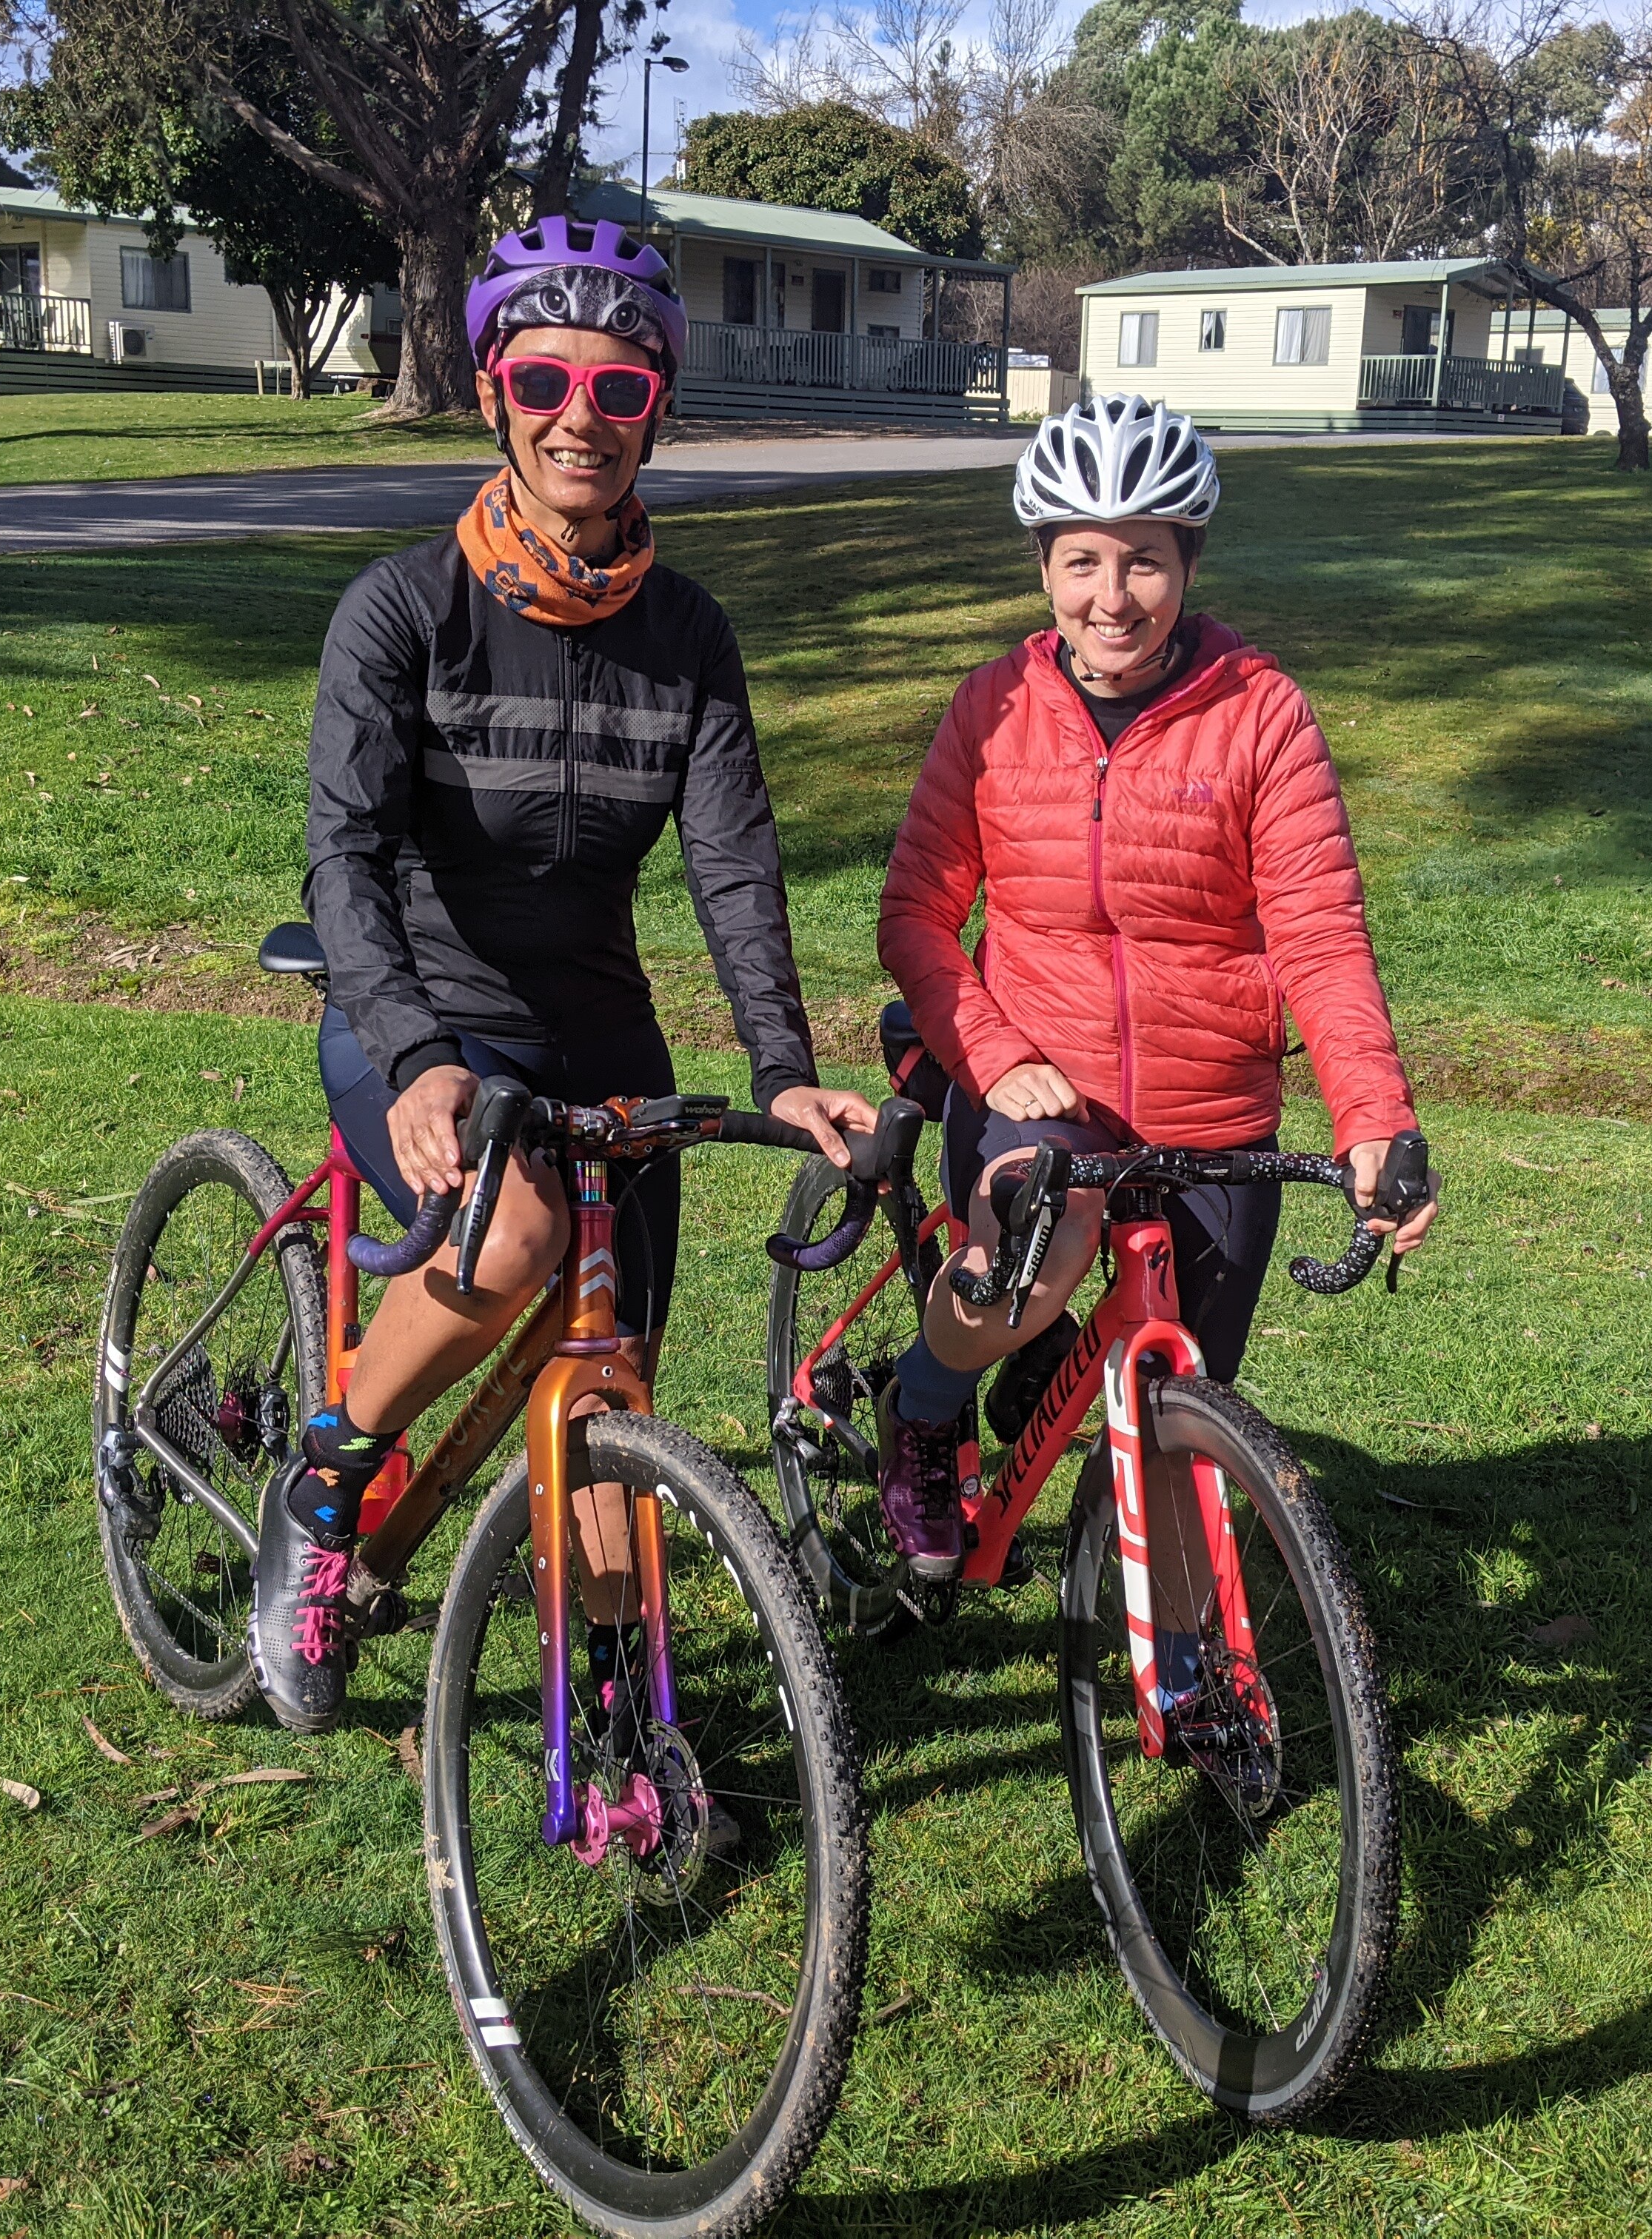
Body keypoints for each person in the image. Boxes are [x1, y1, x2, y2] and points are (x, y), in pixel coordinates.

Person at [257, 216, 875, 1730]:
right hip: (420, 1003)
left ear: (659, 405)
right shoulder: (402, 609)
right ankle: (328, 1478)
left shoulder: (688, 634)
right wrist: (414, 1053)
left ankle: (619, 1717)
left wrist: (785, 1068)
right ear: (493, 394)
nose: (578, 419)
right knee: (517, 1221)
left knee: (614, 1367)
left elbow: (732, 867)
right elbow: (343, 856)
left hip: (600, 1025)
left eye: (618, 390)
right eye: (545, 382)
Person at [872, 393, 1440, 1629]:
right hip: (1043, 1092)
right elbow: (916, 913)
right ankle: (921, 1405)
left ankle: (1191, 1685)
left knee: (1185, 1411)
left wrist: (1375, 1117)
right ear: (1044, 566)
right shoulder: (995, 709)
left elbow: (1320, 933)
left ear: (1188, 562)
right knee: (1035, 1256)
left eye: (1143, 559)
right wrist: (995, 1050)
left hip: (1212, 1115)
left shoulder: (1262, 713)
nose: (1110, 595)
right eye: (1081, 560)